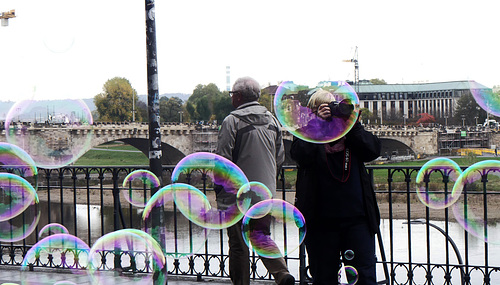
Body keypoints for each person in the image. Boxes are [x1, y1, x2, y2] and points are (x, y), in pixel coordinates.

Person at [290, 89, 381, 285]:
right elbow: (300, 156)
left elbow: (373, 150)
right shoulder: (307, 133)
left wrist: (352, 124)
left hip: (357, 219)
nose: (330, 112)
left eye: (334, 106)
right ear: (313, 111)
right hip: (320, 222)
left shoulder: (350, 133)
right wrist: (317, 126)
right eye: (323, 108)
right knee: (324, 278)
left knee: (364, 278)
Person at [216, 76, 295, 285]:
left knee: (239, 245)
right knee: (260, 235)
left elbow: (223, 160)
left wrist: (220, 192)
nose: (232, 98)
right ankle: (281, 273)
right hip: (264, 193)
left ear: (239, 96)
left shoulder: (232, 121)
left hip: (237, 194)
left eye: (233, 94)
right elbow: (279, 158)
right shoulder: (273, 121)